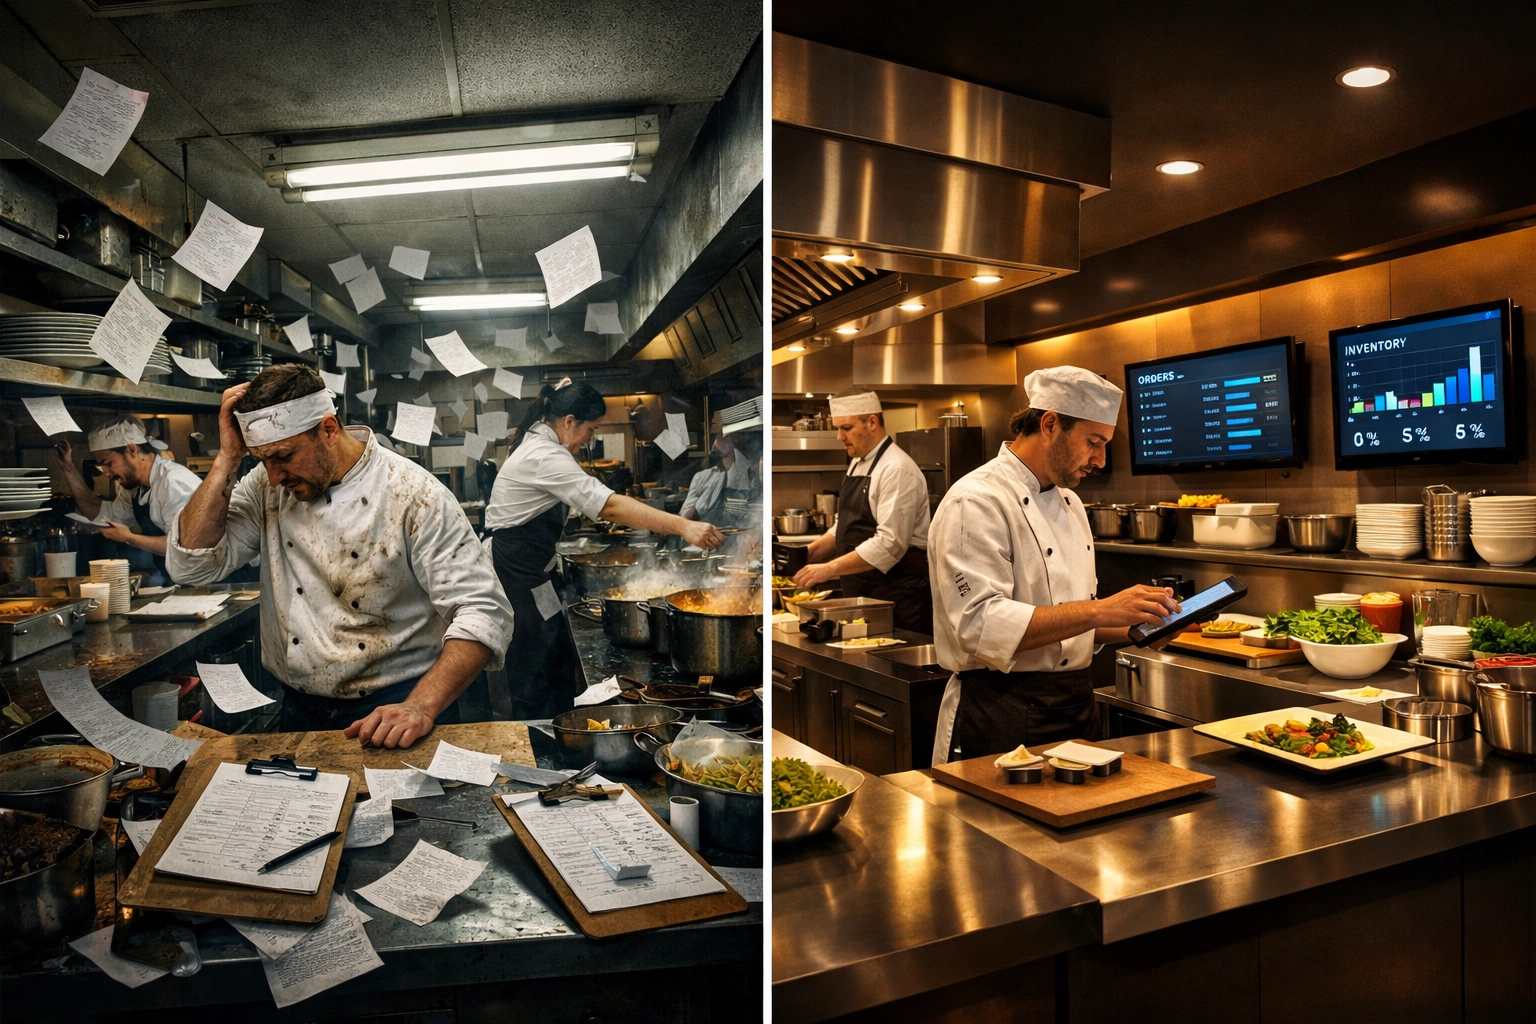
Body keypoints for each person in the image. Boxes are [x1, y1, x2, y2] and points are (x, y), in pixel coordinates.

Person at [167, 364, 514, 749]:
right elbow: (190, 564)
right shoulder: (266, 485)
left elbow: (484, 612)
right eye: (260, 459)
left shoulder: (413, 495)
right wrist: (228, 458)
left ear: (328, 430)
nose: (275, 474)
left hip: (395, 709)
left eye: (283, 455)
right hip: (299, 709)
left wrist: (419, 706)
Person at [927, 366, 1183, 764]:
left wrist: (1138, 628)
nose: (1099, 459)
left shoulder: (1070, 503)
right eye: (1093, 442)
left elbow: (1072, 623)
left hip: (1075, 708)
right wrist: (1103, 608)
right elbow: (979, 626)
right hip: (999, 711)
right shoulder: (976, 501)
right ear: (1049, 424)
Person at [484, 382, 725, 719]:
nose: (589, 440)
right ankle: (535, 745)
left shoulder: (541, 445)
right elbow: (609, 507)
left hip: (532, 571)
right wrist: (684, 526)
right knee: (531, 664)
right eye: (590, 429)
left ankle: (558, 732)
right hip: (515, 575)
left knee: (552, 654)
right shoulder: (544, 455)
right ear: (569, 421)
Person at [792, 387, 933, 633]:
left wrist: (828, 568)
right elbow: (846, 526)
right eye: (838, 428)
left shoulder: (897, 469)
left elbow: (889, 544)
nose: (839, 437)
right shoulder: (858, 462)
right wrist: (809, 553)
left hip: (898, 598)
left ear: (872, 422)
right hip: (863, 593)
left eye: (846, 428)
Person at [52, 417, 199, 587]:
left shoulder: (173, 482)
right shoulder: (133, 487)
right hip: (175, 579)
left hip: (206, 583)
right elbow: (105, 516)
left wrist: (130, 538)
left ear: (131, 449)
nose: (106, 473)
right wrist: (69, 469)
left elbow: (185, 546)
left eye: (108, 463)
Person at [680, 432, 762, 528]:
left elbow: (756, 515)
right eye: (717, 436)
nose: (717, 440)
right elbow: (685, 515)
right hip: (706, 536)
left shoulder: (753, 473)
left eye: (723, 435)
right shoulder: (702, 477)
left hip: (739, 538)